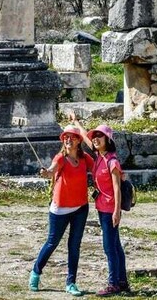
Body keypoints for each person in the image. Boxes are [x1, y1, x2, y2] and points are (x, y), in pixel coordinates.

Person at [29, 126, 93, 296]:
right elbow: (51, 171)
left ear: (79, 140)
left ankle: (71, 283)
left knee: (74, 246)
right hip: (60, 209)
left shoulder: (85, 158)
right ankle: (36, 271)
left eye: (72, 137)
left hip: (81, 207)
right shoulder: (61, 158)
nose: (68, 140)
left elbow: (98, 170)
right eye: (65, 137)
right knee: (52, 243)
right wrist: (46, 173)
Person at [69, 116, 129, 297]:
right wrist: (77, 123)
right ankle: (122, 281)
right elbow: (86, 141)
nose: (95, 139)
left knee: (109, 247)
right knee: (116, 246)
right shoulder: (100, 157)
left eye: (99, 137)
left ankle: (113, 284)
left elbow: (117, 187)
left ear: (107, 141)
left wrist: (117, 211)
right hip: (103, 208)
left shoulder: (112, 161)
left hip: (110, 209)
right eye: (94, 136)